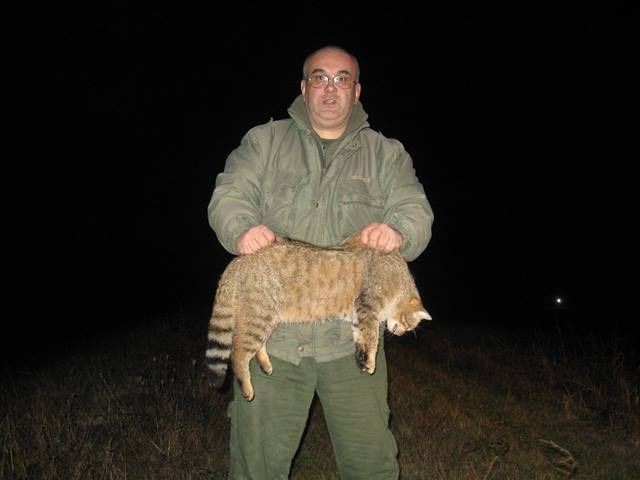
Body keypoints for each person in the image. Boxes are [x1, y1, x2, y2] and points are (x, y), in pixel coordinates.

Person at [208, 45, 434, 480]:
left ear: (356, 90)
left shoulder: (385, 153)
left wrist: (399, 231)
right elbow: (229, 195)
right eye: (320, 77)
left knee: (373, 467)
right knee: (256, 468)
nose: (331, 88)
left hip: (349, 346)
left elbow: (416, 210)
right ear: (303, 87)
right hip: (276, 340)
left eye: (342, 79)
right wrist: (241, 229)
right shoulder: (265, 141)